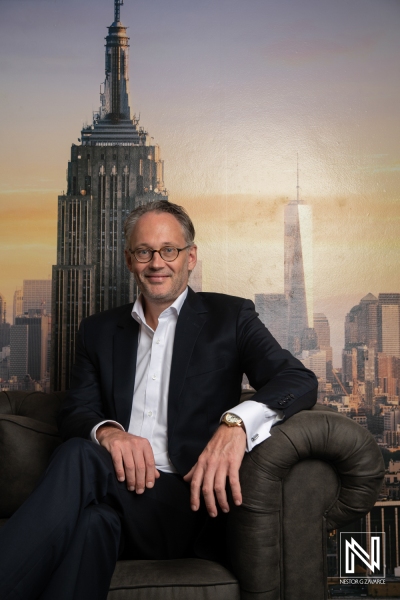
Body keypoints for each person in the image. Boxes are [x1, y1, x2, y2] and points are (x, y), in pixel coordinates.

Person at [0, 201, 317, 600]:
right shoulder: (98, 331)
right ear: (130, 260)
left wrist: (235, 424)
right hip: (115, 498)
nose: (157, 262)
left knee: (79, 456)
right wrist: (111, 434)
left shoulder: (229, 317)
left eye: (169, 250)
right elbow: (75, 410)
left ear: (190, 258)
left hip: (187, 503)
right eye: (144, 251)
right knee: (92, 524)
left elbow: (298, 379)